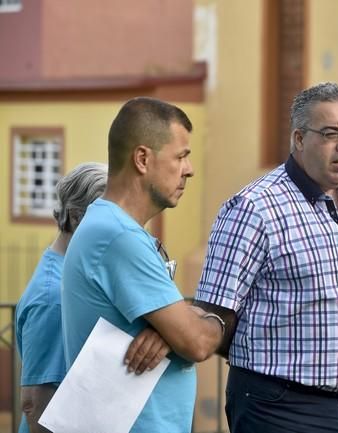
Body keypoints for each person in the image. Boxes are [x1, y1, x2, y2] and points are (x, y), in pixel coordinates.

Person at [194, 82, 338, 433]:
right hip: (280, 409)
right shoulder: (253, 208)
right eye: (330, 134)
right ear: (298, 139)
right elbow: (215, 313)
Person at [61, 97, 226, 433]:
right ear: (142, 159)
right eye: (180, 156)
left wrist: (174, 327)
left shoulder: (109, 226)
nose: (189, 169)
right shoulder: (119, 236)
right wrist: (210, 320)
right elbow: (197, 343)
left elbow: (184, 332)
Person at [15, 162, 107, 433]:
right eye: (106, 218)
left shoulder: (71, 276)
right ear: (76, 217)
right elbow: (36, 403)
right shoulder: (53, 297)